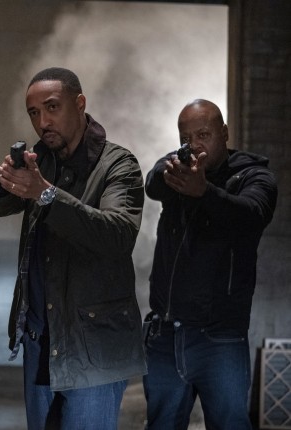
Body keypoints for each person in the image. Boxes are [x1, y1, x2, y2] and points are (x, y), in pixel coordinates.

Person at [0, 67, 146, 430]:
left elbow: (118, 235)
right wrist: (4, 178)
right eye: (34, 112)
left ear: (80, 103)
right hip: (41, 340)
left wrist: (45, 193)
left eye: (52, 107)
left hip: (95, 345)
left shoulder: (118, 164)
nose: (42, 122)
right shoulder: (42, 161)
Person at [143, 99, 277, 429]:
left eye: (203, 135)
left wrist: (203, 192)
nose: (194, 145)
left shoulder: (254, 175)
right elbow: (152, 184)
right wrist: (175, 171)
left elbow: (250, 215)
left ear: (224, 133)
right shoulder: (178, 169)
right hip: (166, 334)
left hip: (220, 338)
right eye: (185, 138)